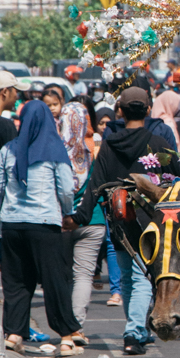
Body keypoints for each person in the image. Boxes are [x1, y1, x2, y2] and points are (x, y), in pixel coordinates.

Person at [65, 86, 180, 355]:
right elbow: (179, 175)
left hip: (118, 221)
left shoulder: (108, 145)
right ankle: (134, 331)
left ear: (120, 111)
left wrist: (79, 218)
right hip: (150, 223)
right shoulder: (158, 143)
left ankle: (137, 329)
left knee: (129, 278)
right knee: (143, 278)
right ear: (149, 109)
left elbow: (96, 185)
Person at [0, 100, 81, 356]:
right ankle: (65, 336)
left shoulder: (10, 149)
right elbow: (66, 189)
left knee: (17, 281)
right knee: (54, 280)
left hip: (11, 224)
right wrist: (66, 211)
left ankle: (14, 334)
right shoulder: (55, 149)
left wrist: (13, 195)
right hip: (44, 224)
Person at [60, 101, 104, 342]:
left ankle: (66, 328)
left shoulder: (56, 149)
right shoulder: (96, 147)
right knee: (84, 276)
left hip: (62, 220)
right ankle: (77, 326)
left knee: (64, 275)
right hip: (92, 219)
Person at [0, 71, 27, 295]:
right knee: (12, 266)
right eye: (15, 92)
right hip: (0, 204)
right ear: (4, 92)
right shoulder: (6, 126)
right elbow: (13, 167)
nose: (16, 97)